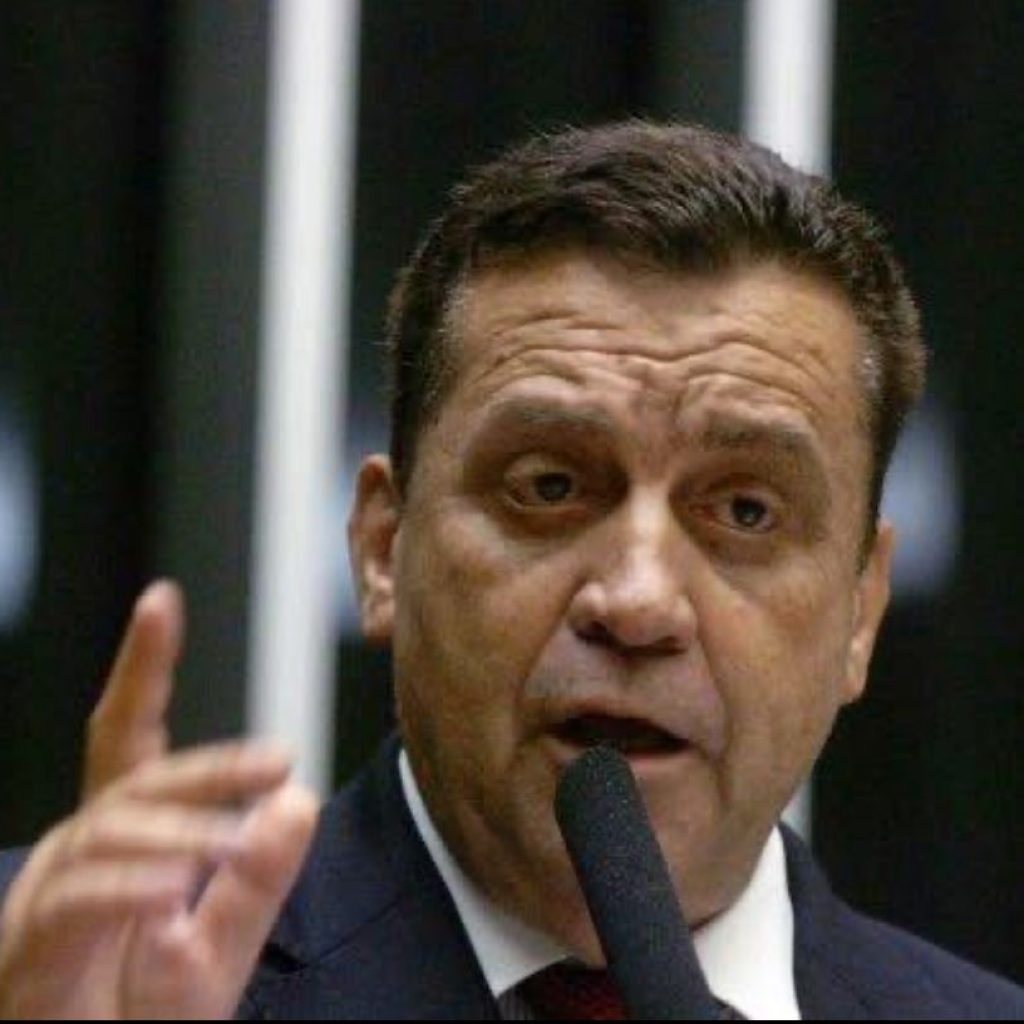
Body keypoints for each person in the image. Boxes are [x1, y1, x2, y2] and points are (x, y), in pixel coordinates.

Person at [1, 120, 1022, 1019]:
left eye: (746, 512)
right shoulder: (54, 981)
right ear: (382, 548)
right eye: (548, 486)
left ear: (860, 610)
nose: (636, 601)